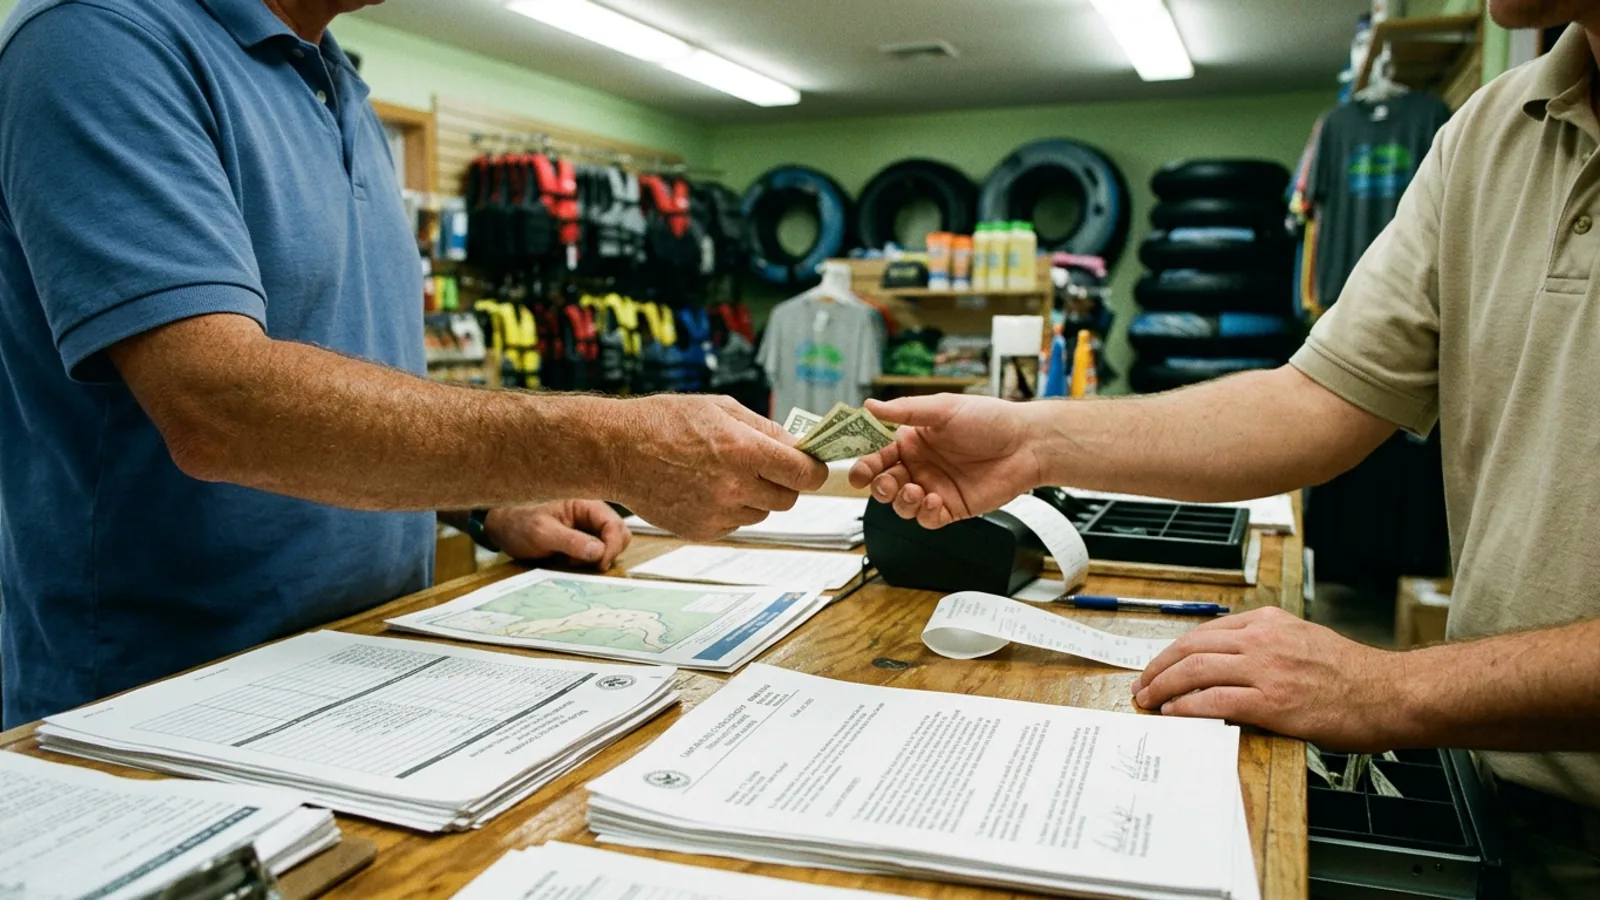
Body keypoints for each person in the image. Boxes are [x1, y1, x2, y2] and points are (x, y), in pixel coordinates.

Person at [853, 5, 1600, 895]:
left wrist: (1390, 691)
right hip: (1514, 801)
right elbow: (1317, 400)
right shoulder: (1493, 126)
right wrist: (1031, 438)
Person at [0, 0, 825, 729]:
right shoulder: (102, 37)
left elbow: (350, 375)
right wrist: (609, 443)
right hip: (155, 706)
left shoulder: (336, 83)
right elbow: (222, 406)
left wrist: (483, 502)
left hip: (373, 664)